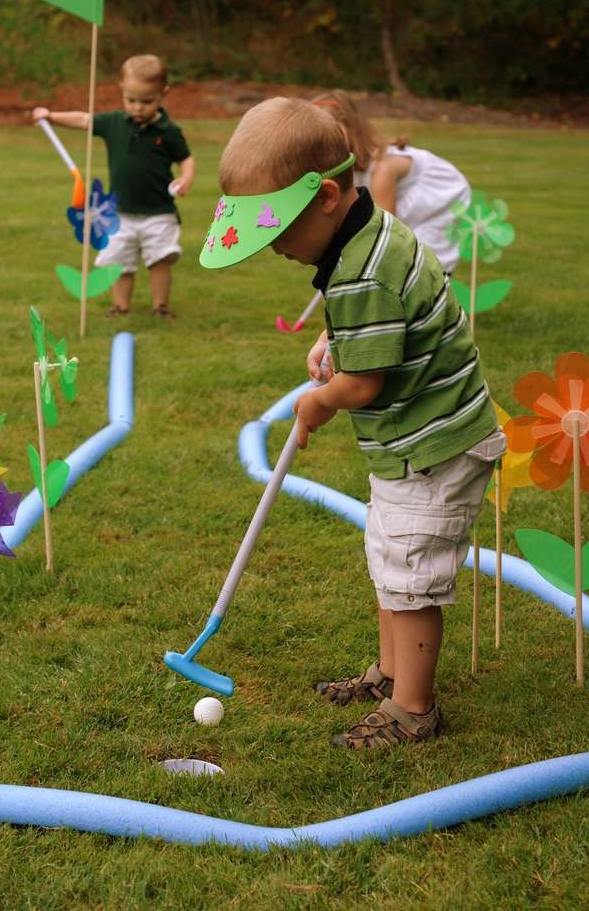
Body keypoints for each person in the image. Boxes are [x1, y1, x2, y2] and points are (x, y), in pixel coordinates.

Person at [201, 97, 505, 750]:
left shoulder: (360, 270)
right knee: (388, 557)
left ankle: (412, 710)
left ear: (329, 197)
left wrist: (316, 400)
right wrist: (336, 340)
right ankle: (391, 673)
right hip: (416, 439)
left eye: (278, 231)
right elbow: (380, 324)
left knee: (411, 570)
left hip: (435, 443)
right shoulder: (369, 235)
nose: (276, 248)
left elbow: (364, 384)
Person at [33, 54, 195, 318]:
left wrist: (186, 177)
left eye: (147, 101)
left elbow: (185, 159)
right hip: (120, 213)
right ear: (122, 90)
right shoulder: (114, 123)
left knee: (160, 261)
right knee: (119, 263)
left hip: (159, 213)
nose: (138, 108)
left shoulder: (169, 131)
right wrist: (51, 116)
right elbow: (84, 120)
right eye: (131, 100)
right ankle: (121, 308)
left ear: (163, 94)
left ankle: (161, 308)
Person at [312, 89, 470, 273]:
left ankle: (431, 289)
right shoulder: (344, 167)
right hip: (400, 197)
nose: (326, 146)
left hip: (439, 195)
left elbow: (383, 233)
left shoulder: (382, 169)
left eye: (334, 134)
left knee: (417, 262)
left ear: (351, 128)